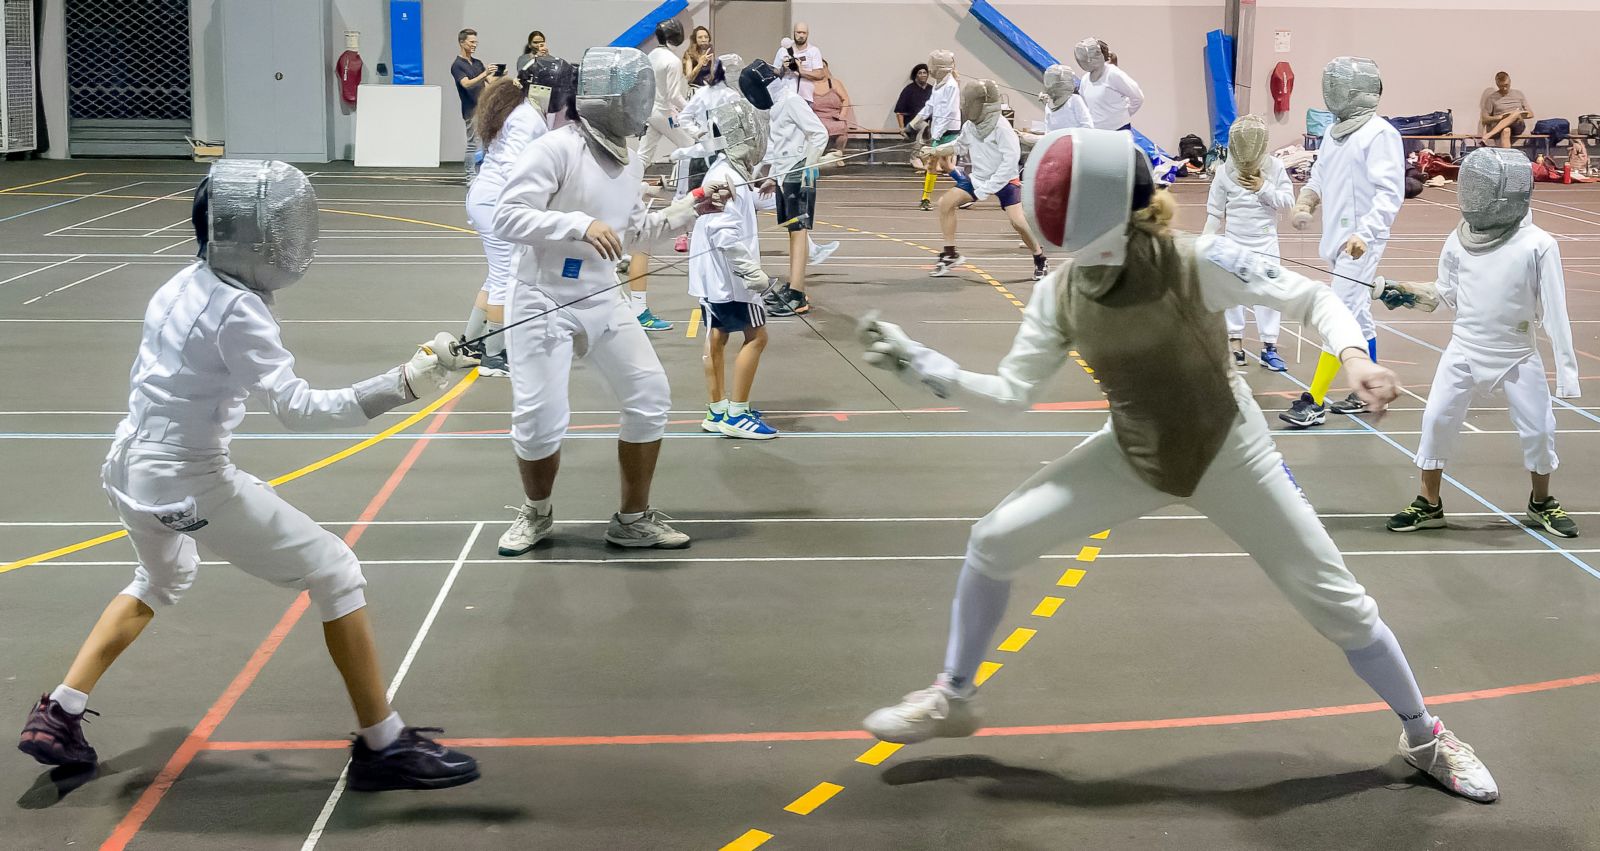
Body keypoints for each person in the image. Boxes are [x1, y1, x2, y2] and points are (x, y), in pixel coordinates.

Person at [856, 128, 1499, 805]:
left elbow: (1311, 299)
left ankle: (1424, 735)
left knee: (1341, 605)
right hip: (1135, 453)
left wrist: (1357, 358)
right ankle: (953, 696)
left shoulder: (1197, 260)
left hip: (1231, 450)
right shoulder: (1062, 295)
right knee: (993, 540)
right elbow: (1009, 397)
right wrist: (921, 364)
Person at [17, 161, 483, 791]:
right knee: (336, 571)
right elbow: (297, 409)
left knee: (162, 575)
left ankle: (60, 713)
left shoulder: (182, 281)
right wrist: (405, 384)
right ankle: (384, 744)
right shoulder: (239, 311)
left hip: (128, 467)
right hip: (187, 481)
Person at [491, 46, 725, 556]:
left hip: (601, 294)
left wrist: (694, 206)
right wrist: (577, 223)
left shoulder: (631, 159)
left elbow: (636, 231)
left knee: (650, 397)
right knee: (539, 419)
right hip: (540, 297)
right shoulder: (556, 149)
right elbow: (505, 217)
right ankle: (537, 513)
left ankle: (632, 519)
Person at [1377, 149, 1579, 538]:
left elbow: (1556, 312)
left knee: (1538, 430)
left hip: (1517, 353)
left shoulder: (1538, 244)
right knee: (1436, 420)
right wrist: (1401, 292)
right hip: (1465, 348)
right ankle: (1428, 504)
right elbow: (1444, 293)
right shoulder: (1459, 238)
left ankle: (1541, 503)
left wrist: (1567, 375)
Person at [1281, 57, 1404, 427]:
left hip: (1362, 241)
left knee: (1338, 314)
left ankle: (1313, 401)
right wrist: (1306, 201)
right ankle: (1366, 388)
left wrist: (1364, 234)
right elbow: (1319, 176)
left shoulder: (1380, 134)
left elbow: (1389, 193)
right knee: (1358, 316)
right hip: (1337, 238)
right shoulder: (1336, 133)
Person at [461, 58, 576, 377]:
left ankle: (472, 343)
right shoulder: (527, 117)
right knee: (504, 278)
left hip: (488, 198)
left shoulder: (525, 110)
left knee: (496, 273)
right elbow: (516, 168)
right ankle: (495, 355)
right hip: (497, 201)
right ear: (543, 88)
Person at [692, 101, 779, 440]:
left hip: (716, 278)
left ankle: (717, 410)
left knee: (717, 334)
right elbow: (724, 231)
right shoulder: (725, 175)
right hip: (728, 279)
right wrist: (750, 272)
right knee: (757, 336)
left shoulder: (727, 171)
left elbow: (744, 205)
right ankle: (737, 414)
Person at [926, 79, 1047, 282]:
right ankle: (950, 254)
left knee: (1018, 222)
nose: (966, 105)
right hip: (979, 178)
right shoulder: (971, 126)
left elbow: (1010, 163)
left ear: (983, 104)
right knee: (945, 203)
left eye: (970, 101)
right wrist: (936, 150)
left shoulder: (1002, 128)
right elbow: (959, 146)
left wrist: (987, 189)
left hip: (1005, 180)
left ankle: (1039, 258)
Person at [1203, 114, 1294, 371]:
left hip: (1265, 243)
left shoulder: (1275, 168)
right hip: (1234, 243)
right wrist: (1204, 243)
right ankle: (1235, 346)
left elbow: (1287, 202)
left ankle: (1269, 347)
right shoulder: (1223, 172)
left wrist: (1263, 187)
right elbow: (1214, 213)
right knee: (1231, 295)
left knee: (1269, 294)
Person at [740, 59, 829, 317]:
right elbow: (780, 146)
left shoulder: (791, 101)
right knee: (793, 231)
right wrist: (772, 176)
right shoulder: (779, 105)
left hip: (800, 174)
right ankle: (794, 287)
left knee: (798, 231)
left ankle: (798, 295)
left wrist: (807, 167)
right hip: (786, 176)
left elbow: (819, 134)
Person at [635, 18, 694, 329]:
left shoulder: (651, 56)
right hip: (664, 113)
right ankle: (683, 200)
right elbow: (674, 97)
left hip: (650, 112)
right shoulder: (670, 60)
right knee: (690, 148)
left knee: (643, 155)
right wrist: (694, 108)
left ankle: (629, 188)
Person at [909, 50, 961, 211]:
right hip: (939, 130)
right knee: (945, 165)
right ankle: (967, 186)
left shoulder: (951, 86)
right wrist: (912, 124)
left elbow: (948, 113)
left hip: (948, 131)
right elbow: (930, 106)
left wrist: (936, 138)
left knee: (933, 162)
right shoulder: (939, 85)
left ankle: (926, 198)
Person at [452, 28, 498, 180]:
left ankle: (485, 174)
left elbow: (490, 82)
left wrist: (498, 75)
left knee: (487, 141)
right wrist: (484, 74)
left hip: (484, 107)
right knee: (473, 143)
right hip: (471, 109)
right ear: (462, 42)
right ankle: (470, 176)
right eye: (471, 42)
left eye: (475, 42)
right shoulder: (457, 65)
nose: (474, 45)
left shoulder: (477, 63)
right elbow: (466, 84)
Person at [1073, 38, 1143, 133]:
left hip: (1118, 131)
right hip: (1096, 132)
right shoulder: (1085, 79)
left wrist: (1121, 116)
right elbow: (1084, 106)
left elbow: (1137, 97)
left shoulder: (1113, 74)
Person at [1021, 64, 1092, 142]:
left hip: (1075, 148)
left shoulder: (1074, 100)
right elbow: (1048, 134)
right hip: (1057, 149)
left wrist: (1072, 140)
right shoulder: (1049, 105)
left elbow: (1087, 127)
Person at [774, 23, 825, 103]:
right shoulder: (783, 50)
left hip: (804, 97)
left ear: (807, 34)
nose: (801, 35)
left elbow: (820, 74)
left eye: (804, 33)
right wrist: (783, 68)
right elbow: (774, 72)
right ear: (794, 33)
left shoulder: (813, 51)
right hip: (784, 95)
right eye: (798, 32)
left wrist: (802, 71)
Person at [894, 63, 934, 167]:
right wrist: (901, 127)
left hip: (929, 122)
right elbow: (899, 111)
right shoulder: (909, 90)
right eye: (920, 73)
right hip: (912, 122)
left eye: (925, 73)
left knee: (930, 129)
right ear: (916, 75)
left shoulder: (932, 90)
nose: (923, 75)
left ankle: (929, 159)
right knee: (924, 126)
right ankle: (914, 157)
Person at [1480, 72, 1533, 148]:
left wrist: (1518, 115)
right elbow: (1484, 119)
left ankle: (1488, 135)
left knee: (1516, 113)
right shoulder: (1492, 98)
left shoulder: (1518, 94)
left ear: (1510, 82)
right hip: (1499, 126)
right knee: (1506, 131)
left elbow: (1531, 114)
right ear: (1497, 84)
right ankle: (1507, 158)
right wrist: (1500, 117)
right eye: (1501, 86)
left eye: (1506, 85)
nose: (1504, 88)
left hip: (1517, 125)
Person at [810, 61, 854, 155]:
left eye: (824, 67)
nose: (821, 69)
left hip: (834, 117)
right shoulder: (807, 85)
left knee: (841, 127)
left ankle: (838, 155)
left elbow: (845, 99)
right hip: (816, 118)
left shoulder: (835, 83)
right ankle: (815, 156)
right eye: (818, 67)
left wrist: (842, 115)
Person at [683, 26, 715, 90]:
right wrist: (699, 65)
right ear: (695, 40)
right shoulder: (689, 54)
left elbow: (711, 76)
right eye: (700, 37)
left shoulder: (709, 52)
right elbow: (688, 79)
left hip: (707, 90)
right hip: (695, 91)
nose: (704, 40)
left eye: (706, 37)